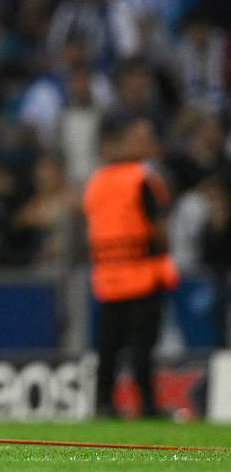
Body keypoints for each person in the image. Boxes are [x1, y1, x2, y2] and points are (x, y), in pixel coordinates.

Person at [83, 114, 180, 418]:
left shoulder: (96, 181)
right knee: (142, 348)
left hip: (108, 277)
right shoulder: (143, 178)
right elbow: (160, 228)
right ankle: (147, 406)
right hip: (141, 275)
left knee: (108, 348)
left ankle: (103, 404)